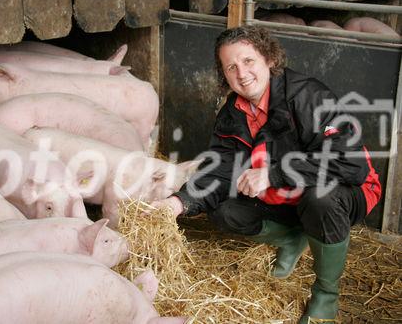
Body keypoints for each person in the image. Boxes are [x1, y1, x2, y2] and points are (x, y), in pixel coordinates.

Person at [153, 26, 381, 323]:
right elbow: (220, 171)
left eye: (248, 61)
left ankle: (326, 295)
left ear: (269, 59)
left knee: (320, 198)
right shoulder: (232, 113)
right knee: (224, 212)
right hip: (288, 198)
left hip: (346, 191)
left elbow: (350, 163)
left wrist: (273, 174)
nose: (241, 73)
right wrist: (179, 202)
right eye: (230, 67)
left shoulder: (306, 95)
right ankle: (292, 238)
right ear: (224, 74)